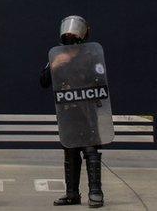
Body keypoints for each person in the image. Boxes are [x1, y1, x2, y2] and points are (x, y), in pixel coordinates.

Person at [40, 16, 104, 208]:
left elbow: (101, 82)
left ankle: (95, 192)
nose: (70, 35)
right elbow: (43, 81)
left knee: (91, 151)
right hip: (68, 112)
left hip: (87, 111)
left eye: (74, 32)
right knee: (70, 151)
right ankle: (72, 194)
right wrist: (55, 64)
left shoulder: (91, 56)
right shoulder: (57, 55)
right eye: (68, 32)